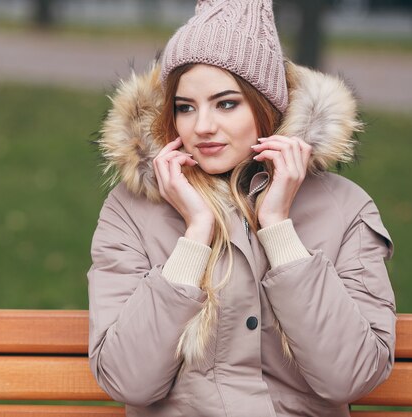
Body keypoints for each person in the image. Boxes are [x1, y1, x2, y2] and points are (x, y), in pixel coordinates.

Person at [87, 1, 396, 416]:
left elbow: (351, 376)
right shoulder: (131, 210)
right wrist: (195, 234)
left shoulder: (344, 208)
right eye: (185, 107)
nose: (202, 127)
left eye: (226, 103)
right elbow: (128, 381)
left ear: (266, 106)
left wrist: (278, 228)